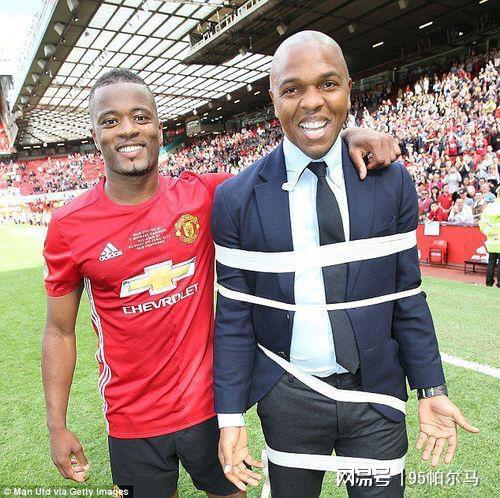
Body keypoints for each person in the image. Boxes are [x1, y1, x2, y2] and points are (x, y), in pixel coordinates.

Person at [41, 68, 399, 497]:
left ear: (159, 127)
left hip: (210, 407)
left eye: (140, 117)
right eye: (110, 120)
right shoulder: (69, 226)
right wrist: (56, 425)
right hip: (131, 419)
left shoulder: (204, 195)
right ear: (94, 135)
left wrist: (345, 135)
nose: (128, 130)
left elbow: (281, 168)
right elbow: (59, 331)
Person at [212, 31, 478, 497]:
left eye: (328, 84)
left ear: (349, 89)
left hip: (376, 395)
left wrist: (431, 389)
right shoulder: (236, 198)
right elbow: (234, 315)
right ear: (273, 98)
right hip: (288, 394)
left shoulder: (391, 183)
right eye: (292, 89)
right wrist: (230, 416)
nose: (312, 101)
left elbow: (407, 297)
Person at [479, 190, 500, 287]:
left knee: (491, 261)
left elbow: (482, 223)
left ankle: (489, 282)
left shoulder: (489, 207)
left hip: (492, 239)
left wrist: (490, 233)